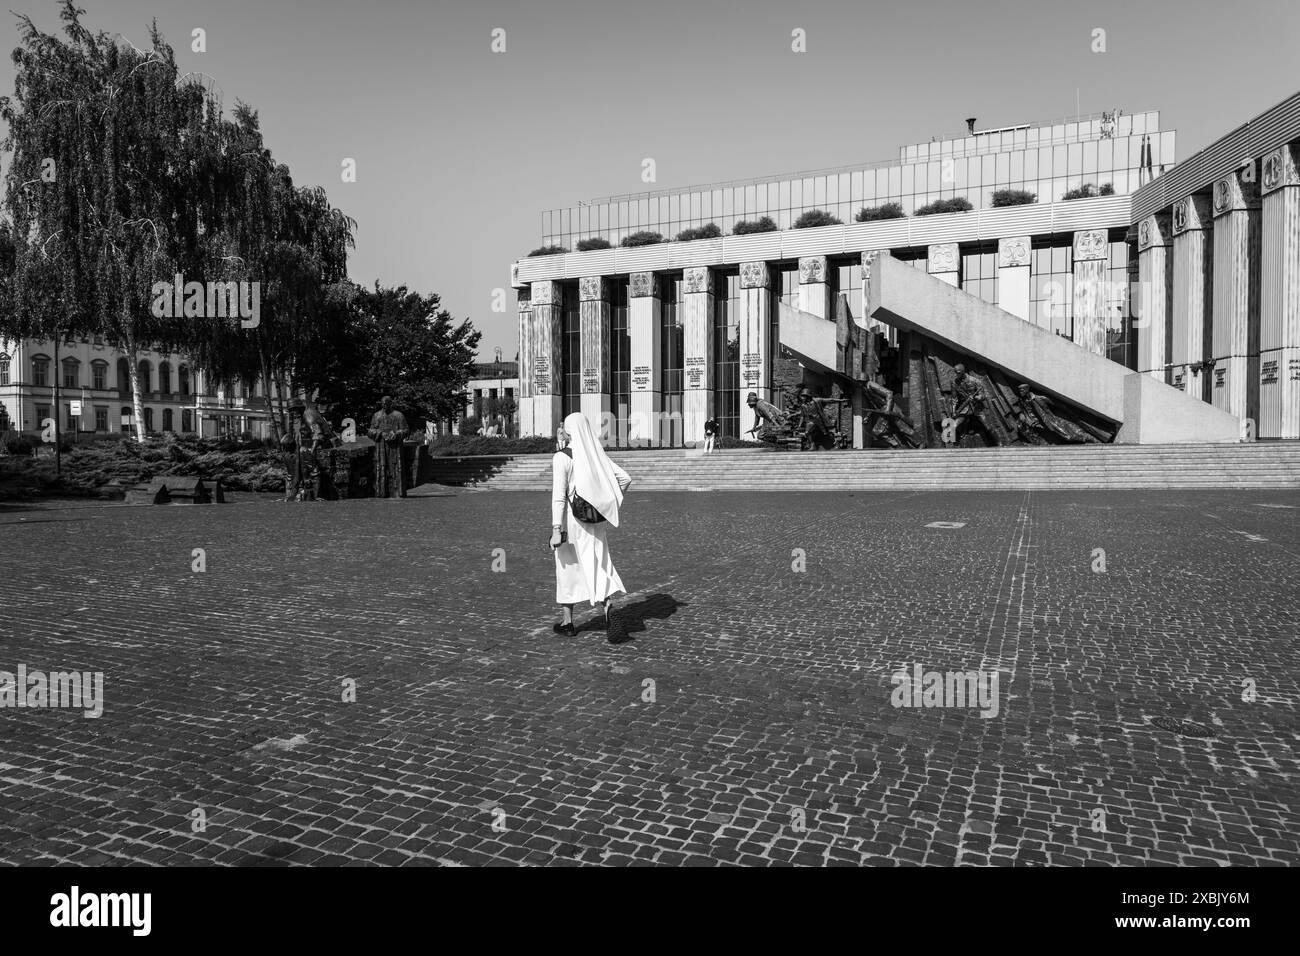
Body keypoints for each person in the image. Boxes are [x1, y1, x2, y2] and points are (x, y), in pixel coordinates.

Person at [550, 412, 632, 639]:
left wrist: (556, 529)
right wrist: (606, 504)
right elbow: (625, 478)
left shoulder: (562, 457)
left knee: (567, 568)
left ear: (568, 430)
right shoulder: (596, 454)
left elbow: (558, 497)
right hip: (595, 520)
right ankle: (608, 608)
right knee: (597, 563)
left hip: (571, 521)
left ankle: (567, 622)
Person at [368, 395, 410, 497]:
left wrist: (396, 433)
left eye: (386, 404)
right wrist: (380, 433)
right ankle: (382, 492)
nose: (384, 406)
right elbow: (370, 431)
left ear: (391, 404)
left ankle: (397, 492)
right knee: (381, 467)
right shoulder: (377, 416)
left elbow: (406, 430)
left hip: (395, 447)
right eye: (383, 404)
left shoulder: (399, 415)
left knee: (396, 468)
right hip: (381, 446)